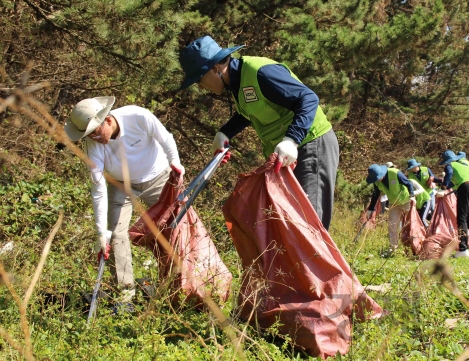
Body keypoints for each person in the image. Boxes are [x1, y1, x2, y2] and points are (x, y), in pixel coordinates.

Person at [178, 36, 339, 231]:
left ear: (214, 68)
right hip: (287, 155)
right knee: (292, 222)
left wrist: (292, 139)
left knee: (311, 223)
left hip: (311, 144)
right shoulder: (237, 85)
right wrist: (225, 132)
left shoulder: (260, 72)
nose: (201, 87)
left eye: (199, 80)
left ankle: (318, 262)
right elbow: (250, 111)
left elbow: (308, 98)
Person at [64, 97, 184, 308]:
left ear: (108, 120)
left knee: (176, 227)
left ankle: (179, 286)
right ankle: (124, 294)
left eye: (95, 131)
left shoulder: (138, 116)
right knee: (115, 233)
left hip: (157, 178)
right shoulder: (94, 144)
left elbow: (165, 138)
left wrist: (175, 162)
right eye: (88, 134)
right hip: (121, 185)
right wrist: (102, 232)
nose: (94, 137)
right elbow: (98, 188)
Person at [437, 150, 469, 258]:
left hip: (466, 186)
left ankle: (463, 249)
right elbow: (458, 181)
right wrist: (446, 186)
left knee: (462, 218)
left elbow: (449, 174)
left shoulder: (450, 165)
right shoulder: (466, 163)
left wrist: (443, 187)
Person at [365, 164, 415, 254]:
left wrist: (412, 196)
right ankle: (393, 248)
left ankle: (413, 246)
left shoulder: (395, 173)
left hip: (406, 201)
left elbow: (408, 183)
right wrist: (370, 209)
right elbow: (375, 195)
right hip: (394, 203)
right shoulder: (377, 182)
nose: (377, 180)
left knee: (410, 224)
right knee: (392, 225)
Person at [405, 158, 435, 226]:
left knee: (433, 208)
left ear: (417, 166)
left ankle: (434, 224)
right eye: (411, 168)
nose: (412, 169)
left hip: (429, 192)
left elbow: (433, 177)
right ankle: (426, 225)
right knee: (422, 212)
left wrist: (432, 180)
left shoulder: (426, 169)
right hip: (420, 195)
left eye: (413, 167)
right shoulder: (410, 175)